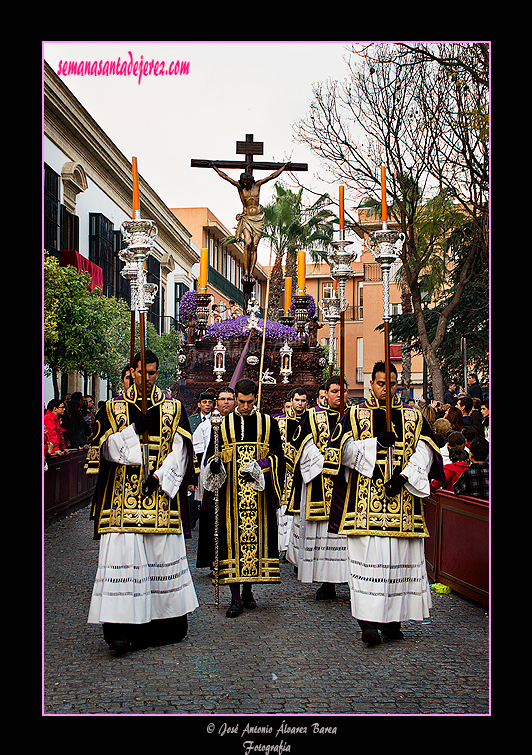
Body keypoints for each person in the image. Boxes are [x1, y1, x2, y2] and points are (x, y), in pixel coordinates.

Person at [324, 361, 445, 646]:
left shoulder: (413, 416)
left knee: (398, 562)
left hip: (402, 502)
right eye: (380, 384)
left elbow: (427, 451)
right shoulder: (354, 414)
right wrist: (374, 444)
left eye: (391, 384)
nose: (386, 389)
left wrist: (403, 478)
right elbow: (337, 452)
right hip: (364, 504)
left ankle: (393, 621)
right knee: (369, 563)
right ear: (371, 384)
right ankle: (367, 623)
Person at [85, 349, 199, 653]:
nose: (147, 378)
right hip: (122, 502)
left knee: (159, 561)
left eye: (152, 373)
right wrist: (134, 430)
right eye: (141, 372)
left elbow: (182, 450)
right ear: (132, 371)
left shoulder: (173, 408)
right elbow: (105, 450)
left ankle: (163, 626)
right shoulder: (112, 408)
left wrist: (159, 477)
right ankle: (119, 631)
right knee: (124, 561)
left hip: (160, 499)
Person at [201, 378, 285, 618]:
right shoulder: (221, 425)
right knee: (231, 545)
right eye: (241, 402)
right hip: (230, 497)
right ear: (235, 398)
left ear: (254, 399)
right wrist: (215, 465)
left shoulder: (268, 424)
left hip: (257, 496)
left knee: (255, 544)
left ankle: (248, 590)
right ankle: (235, 597)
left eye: (250, 402)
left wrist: (263, 464)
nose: (246, 406)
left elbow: (279, 455)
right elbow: (209, 457)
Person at [286, 375, 349, 600]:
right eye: (334, 391)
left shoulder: (354, 415)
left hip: (347, 482)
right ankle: (327, 581)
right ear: (325, 393)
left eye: (342, 391)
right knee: (324, 536)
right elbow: (301, 445)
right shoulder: (313, 416)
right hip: (320, 482)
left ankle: (351, 579)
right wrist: (323, 462)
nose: (338, 395)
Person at [209, 161, 289, 280]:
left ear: (250, 180)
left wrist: (283, 168)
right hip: (246, 219)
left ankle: (251, 272)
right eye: (243, 182)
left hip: (258, 219)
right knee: (247, 244)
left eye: (246, 181)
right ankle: (246, 272)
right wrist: (214, 168)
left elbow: (272, 176)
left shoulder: (257, 185)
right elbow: (226, 177)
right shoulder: (240, 188)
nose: (245, 183)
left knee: (254, 246)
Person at [195, 387, 236, 566]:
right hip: (213, 480)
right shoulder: (205, 426)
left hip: (235, 481)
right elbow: (198, 453)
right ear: (216, 402)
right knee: (214, 522)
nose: (226, 402)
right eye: (222, 399)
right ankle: (214, 560)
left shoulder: (240, 423)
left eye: (229, 398)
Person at [275, 387, 308, 559]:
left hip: (305, 473)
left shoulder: (311, 420)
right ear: (291, 401)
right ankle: (283, 547)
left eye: (303, 401)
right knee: (283, 513)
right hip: (285, 474)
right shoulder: (280, 422)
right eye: (297, 400)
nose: (300, 404)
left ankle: (298, 550)